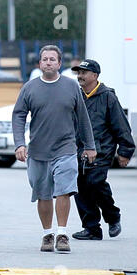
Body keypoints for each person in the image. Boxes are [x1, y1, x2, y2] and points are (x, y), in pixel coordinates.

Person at [12, 45, 97, 253]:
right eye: (45, 59)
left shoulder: (71, 87)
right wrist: (19, 144)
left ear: (60, 63)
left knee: (64, 191)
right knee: (43, 194)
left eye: (52, 59)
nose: (48, 62)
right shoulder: (29, 88)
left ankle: (62, 233)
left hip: (65, 148)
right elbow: (18, 116)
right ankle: (47, 234)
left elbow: (83, 119)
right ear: (39, 64)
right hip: (39, 151)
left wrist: (90, 146)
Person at [71, 59, 135, 240]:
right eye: (78, 73)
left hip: (101, 151)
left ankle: (113, 216)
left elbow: (121, 126)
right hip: (78, 151)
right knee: (79, 187)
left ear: (95, 76)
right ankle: (92, 229)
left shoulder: (108, 97)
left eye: (84, 73)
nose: (80, 76)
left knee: (96, 183)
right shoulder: (76, 95)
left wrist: (125, 151)